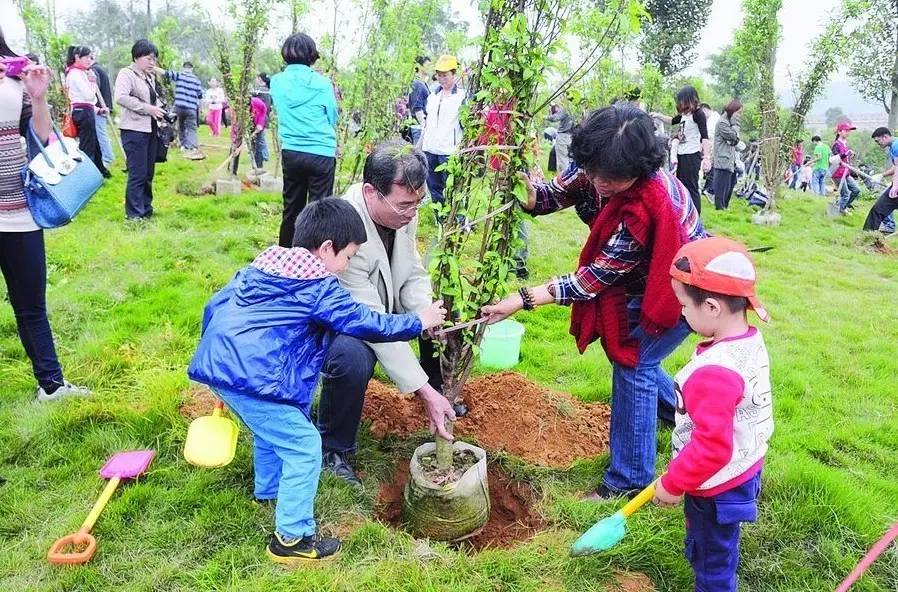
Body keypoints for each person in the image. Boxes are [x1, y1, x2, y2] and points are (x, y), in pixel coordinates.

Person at [188, 198, 447, 564]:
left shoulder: (261, 268)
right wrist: (418, 321)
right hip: (257, 379)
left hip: (226, 368)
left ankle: (269, 492)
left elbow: (214, 307)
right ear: (327, 249)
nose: (346, 265)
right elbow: (365, 321)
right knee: (304, 445)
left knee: (271, 432)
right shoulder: (316, 286)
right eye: (348, 256)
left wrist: (219, 367)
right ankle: (292, 538)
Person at [481, 105, 705, 499]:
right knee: (640, 360)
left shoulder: (646, 207)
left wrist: (522, 299)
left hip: (681, 291)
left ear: (638, 169)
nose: (599, 183)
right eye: (593, 171)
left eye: (611, 178)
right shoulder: (596, 166)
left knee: (633, 361)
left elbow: (591, 280)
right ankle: (686, 417)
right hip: (639, 281)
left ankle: (628, 481)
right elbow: (556, 194)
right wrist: (528, 194)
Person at [317, 141, 457, 487]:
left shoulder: (403, 209)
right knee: (353, 357)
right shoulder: (344, 229)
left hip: (380, 305)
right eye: (405, 205)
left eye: (418, 202)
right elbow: (370, 320)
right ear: (370, 192)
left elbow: (410, 271)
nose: (412, 212)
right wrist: (421, 391)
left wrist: (427, 314)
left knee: (438, 315)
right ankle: (335, 449)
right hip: (343, 321)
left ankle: (443, 396)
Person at [653, 236, 773, 592]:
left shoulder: (713, 373)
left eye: (684, 306)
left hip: (715, 487)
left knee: (712, 561)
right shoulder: (747, 340)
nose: (682, 313)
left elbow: (712, 447)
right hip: (744, 465)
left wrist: (673, 484)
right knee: (716, 546)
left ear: (712, 307)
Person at [0, 29, 91, 401]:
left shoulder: (11, 72)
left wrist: (37, 99)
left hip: (17, 211)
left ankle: (51, 386)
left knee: (30, 304)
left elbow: (38, 136)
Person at [270, 32, 338, 248]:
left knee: (292, 207)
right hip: (321, 152)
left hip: (292, 151)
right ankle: (314, 261)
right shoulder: (322, 83)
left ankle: (285, 259)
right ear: (312, 55)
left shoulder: (277, 82)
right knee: (318, 212)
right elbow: (332, 116)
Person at [114, 39, 166, 220]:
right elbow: (120, 97)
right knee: (137, 173)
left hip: (151, 128)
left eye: (154, 59)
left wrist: (160, 110)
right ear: (136, 57)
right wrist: (147, 108)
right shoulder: (127, 74)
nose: (152, 62)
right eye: (148, 58)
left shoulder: (149, 77)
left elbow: (154, 100)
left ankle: (146, 209)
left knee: (148, 172)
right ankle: (135, 214)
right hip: (133, 129)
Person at [651, 86, 712, 213]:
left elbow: (705, 137)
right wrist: (658, 115)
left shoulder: (698, 114)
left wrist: (706, 158)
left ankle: (695, 214)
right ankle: (684, 213)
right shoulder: (685, 115)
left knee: (691, 186)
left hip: (692, 154)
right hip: (681, 154)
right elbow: (672, 120)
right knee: (681, 186)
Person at [420, 54, 465, 210]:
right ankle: (441, 222)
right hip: (430, 150)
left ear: (454, 74)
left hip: (449, 152)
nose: (441, 78)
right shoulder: (433, 96)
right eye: (439, 75)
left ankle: (457, 223)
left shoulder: (461, 97)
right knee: (434, 189)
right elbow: (427, 122)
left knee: (453, 190)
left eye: (445, 75)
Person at [64, 45, 110, 177]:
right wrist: (92, 82)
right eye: (86, 57)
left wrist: (97, 110)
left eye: (91, 57)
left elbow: (86, 100)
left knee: (94, 143)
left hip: (85, 110)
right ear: (77, 57)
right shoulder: (75, 74)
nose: (89, 60)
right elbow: (89, 96)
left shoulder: (79, 72)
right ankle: (86, 175)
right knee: (88, 145)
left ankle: (100, 171)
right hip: (83, 112)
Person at [159, 60, 204, 158]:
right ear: (191, 69)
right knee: (192, 127)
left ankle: (183, 145)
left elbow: (166, 73)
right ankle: (191, 146)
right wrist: (201, 109)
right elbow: (200, 96)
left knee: (181, 126)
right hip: (191, 108)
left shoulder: (179, 75)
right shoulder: (196, 80)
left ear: (183, 67)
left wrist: (153, 68)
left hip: (179, 106)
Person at [862, 127, 898, 233]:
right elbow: (895, 168)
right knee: (879, 210)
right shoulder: (893, 147)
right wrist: (882, 175)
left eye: (878, 141)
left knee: (878, 210)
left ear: (885, 137)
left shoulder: (896, 146)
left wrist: (895, 186)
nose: (878, 144)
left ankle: (867, 236)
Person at [711, 100, 742, 210]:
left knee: (729, 184)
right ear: (732, 111)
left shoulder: (728, 122)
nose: (739, 116)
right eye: (738, 112)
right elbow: (733, 136)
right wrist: (735, 124)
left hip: (729, 160)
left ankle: (724, 207)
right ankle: (720, 208)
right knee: (721, 186)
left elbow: (735, 140)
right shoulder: (723, 123)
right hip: (722, 159)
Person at [831, 121, 860, 214]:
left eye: (849, 131)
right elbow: (835, 159)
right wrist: (846, 153)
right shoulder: (836, 144)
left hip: (846, 173)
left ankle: (842, 206)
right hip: (838, 173)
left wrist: (849, 155)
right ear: (839, 132)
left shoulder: (845, 143)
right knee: (845, 194)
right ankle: (839, 210)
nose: (848, 132)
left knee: (856, 190)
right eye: (846, 130)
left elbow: (844, 157)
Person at [91, 59, 115, 167]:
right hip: (105, 105)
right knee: (102, 132)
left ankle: (107, 158)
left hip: (99, 107)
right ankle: (108, 156)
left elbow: (96, 88)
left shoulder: (94, 70)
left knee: (101, 133)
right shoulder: (100, 68)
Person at [408, 55, 431, 146]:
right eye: (428, 65)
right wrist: (423, 125)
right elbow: (417, 108)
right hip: (420, 127)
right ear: (420, 66)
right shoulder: (417, 84)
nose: (430, 68)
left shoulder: (422, 83)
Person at [252, 73, 272, 169]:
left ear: (260, 79)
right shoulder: (268, 90)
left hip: (261, 118)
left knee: (259, 140)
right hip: (264, 117)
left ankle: (264, 155)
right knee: (260, 138)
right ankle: (263, 155)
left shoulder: (261, 91)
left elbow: (262, 107)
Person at [547, 102, 573, 172]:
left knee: (562, 160)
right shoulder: (574, 108)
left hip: (563, 137)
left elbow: (554, 118)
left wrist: (546, 117)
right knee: (571, 159)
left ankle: (565, 179)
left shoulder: (565, 109)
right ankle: (571, 177)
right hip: (572, 136)